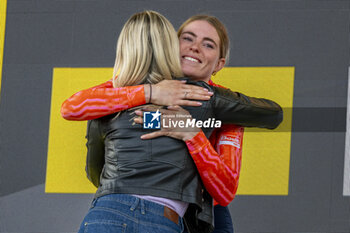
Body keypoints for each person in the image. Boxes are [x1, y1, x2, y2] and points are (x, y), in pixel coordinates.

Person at [64, 11, 283, 233]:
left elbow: (225, 191)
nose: (195, 47)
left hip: (202, 214)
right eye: (187, 38)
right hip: (152, 209)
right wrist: (150, 94)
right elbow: (71, 108)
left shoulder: (222, 105)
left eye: (208, 45)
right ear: (170, 45)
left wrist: (193, 134)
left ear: (219, 64)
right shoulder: (127, 89)